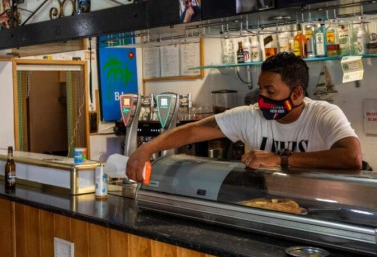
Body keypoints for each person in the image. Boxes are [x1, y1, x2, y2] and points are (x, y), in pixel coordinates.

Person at [126, 53, 362, 182]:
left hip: (321, 211)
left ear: (297, 93)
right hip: (271, 206)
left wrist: (280, 159)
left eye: (271, 91)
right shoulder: (251, 116)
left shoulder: (323, 114)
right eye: (261, 89)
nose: (262, 97)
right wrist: (145, 150)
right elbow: (193, 131)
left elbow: (352, 158)